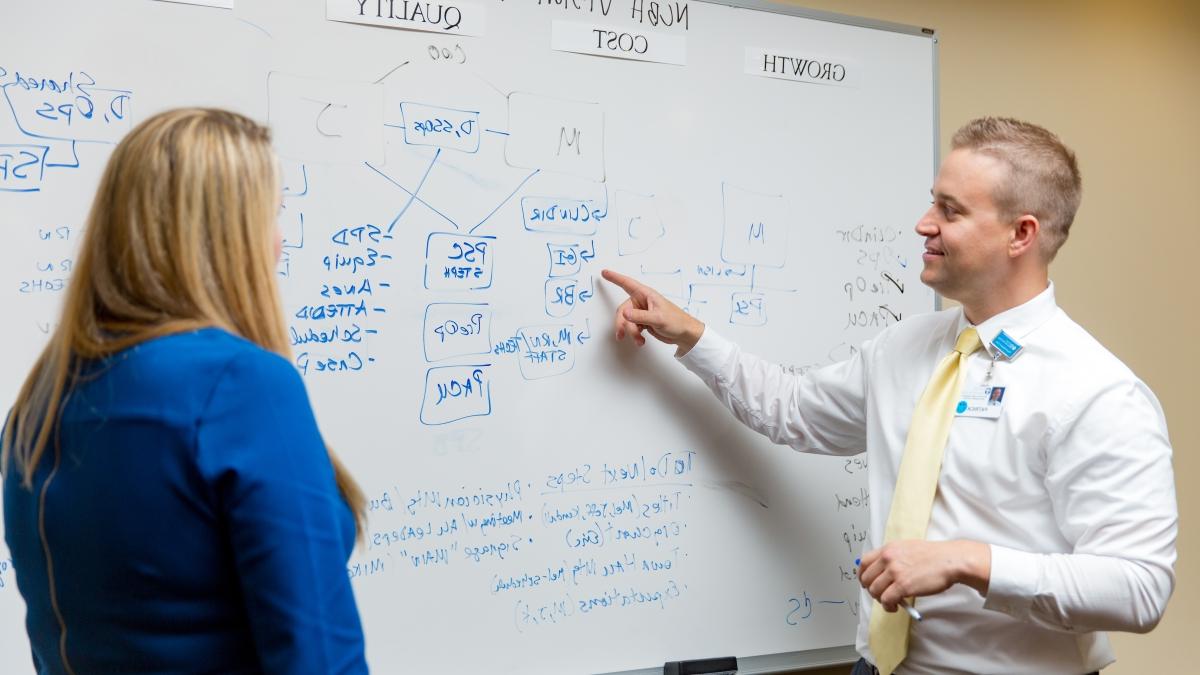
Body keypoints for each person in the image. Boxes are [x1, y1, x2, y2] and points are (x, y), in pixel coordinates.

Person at [602, 117, 1176, 674]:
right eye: (933, 202)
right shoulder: (905, 348)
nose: (924, 223)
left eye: (950, 210)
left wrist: (968, 561)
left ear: (1020, 234)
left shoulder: (1097, 392)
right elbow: (795, 412)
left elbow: (1138, 587)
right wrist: (691, 335)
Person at [2, 109, 370, 674]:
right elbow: (318, 657)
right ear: (232, 235)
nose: (279, 242)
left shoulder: (39, 401)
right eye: (272, 217)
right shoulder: (239, 386)